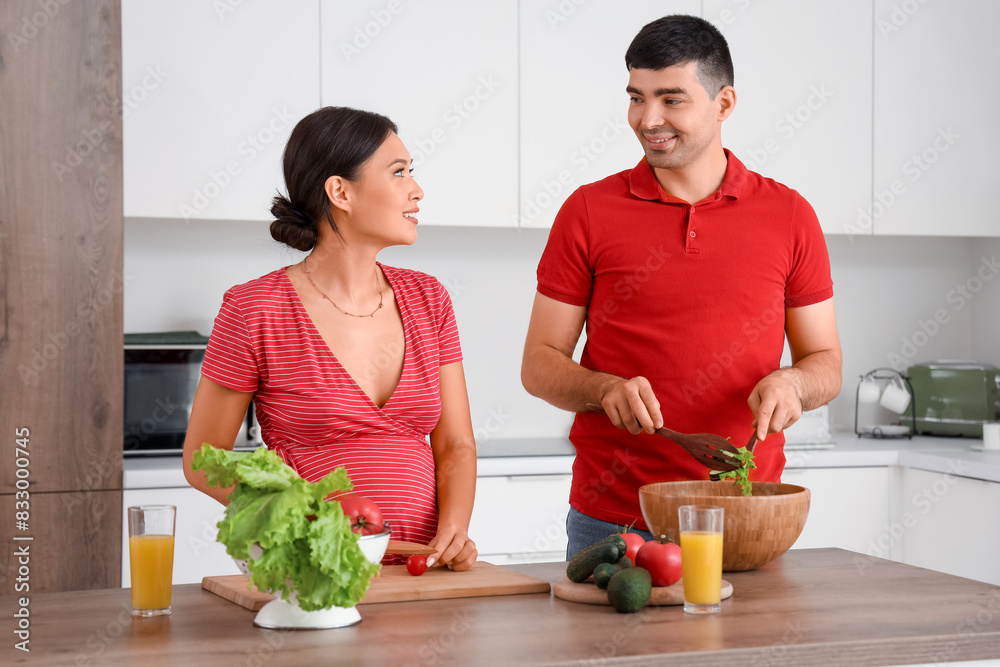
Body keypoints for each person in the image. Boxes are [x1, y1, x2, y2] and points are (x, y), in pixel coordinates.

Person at [520, 15, 842, 557]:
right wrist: (603, 389)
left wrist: (794, 384)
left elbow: (825, 361)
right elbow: (539, 363)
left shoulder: (789, 215)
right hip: (616, 521)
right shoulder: (588, 211)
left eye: (672, 100)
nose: (648, 119)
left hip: (747, 512)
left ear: (724, 104)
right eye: (636, 97)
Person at [183, 106, 478, 570]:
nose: (416, 190)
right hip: (310, 572)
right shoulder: (254, 308)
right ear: (340, 191)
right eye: (398, 173)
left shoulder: (429, 299)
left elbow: (455, 444)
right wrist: (301, 519)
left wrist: (454, 531)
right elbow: (204, 459)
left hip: (422, 573)